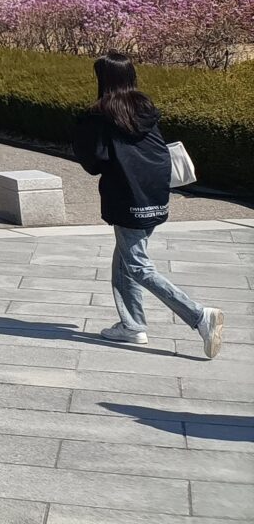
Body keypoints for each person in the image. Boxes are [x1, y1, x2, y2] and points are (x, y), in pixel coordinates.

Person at [74, 52, 226, 358]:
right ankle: (132, 324)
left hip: (127, 199)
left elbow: (94, 162)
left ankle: (199, 316)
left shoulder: (101, 115)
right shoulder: (144, 108)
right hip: (155, 196)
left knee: (139, 266)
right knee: (125, 260)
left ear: (102, 78)